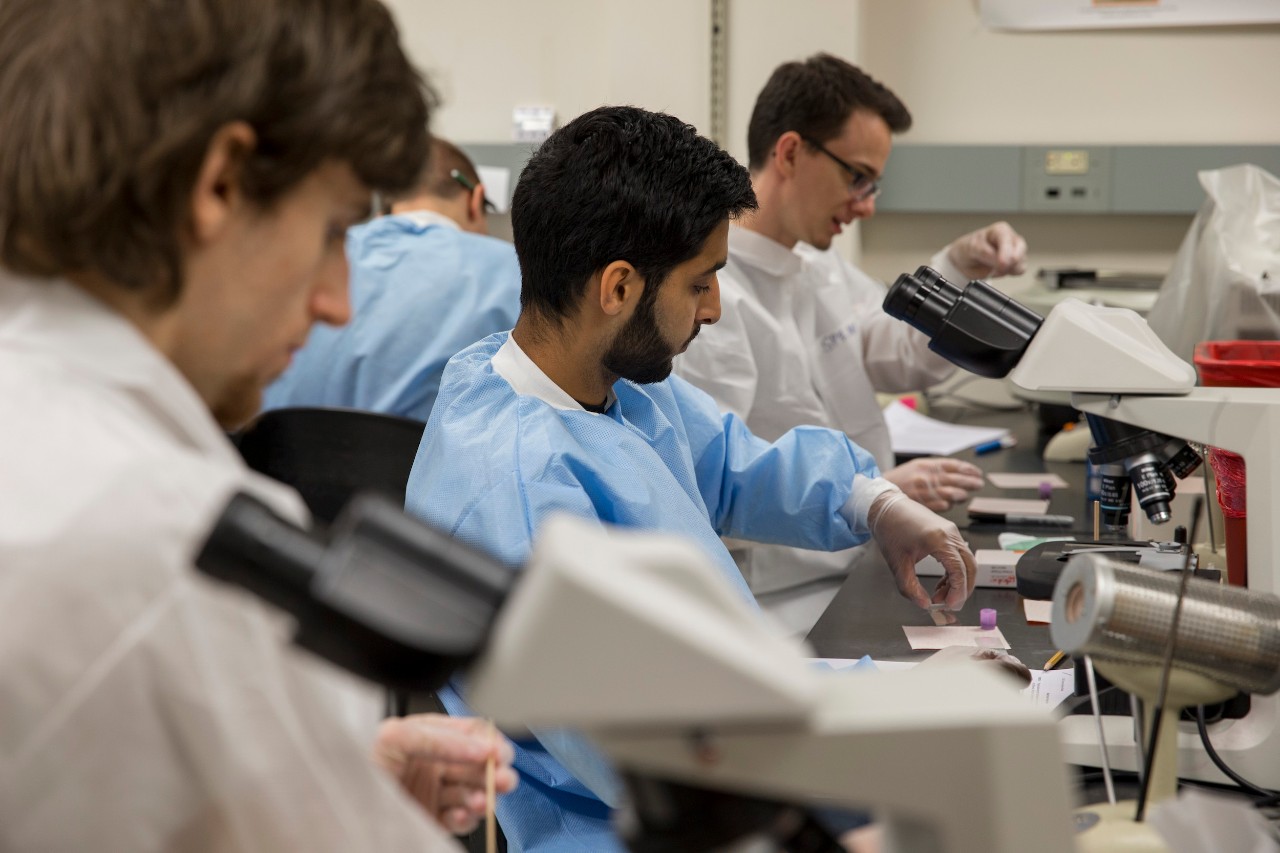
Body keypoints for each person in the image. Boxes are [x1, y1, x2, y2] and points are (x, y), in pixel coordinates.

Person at [0, 1, 516, 850]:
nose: (338, 300)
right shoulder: (181, 544)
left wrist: (322, 769)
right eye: (333, 230)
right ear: (221, 183)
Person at [406, 105, 977, 853]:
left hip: (735, 734)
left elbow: (735, 463)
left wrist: (873, 500)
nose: (712, 308)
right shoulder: (517, 485)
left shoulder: (607, 378)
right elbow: (641, 752)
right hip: (633, 824)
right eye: (702, 282)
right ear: (617, 287)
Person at [674, 54, 1029, 633]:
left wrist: (958, 270)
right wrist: (871, 496)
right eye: (856, 177)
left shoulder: (817, 268)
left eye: (874, 184)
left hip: (858, 557)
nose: (866, 204)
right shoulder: (716, 300)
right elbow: (715, 486)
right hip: (785, 600)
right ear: (790, 152)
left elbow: (900, 353)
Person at [263, 137, 521, 421]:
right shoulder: (512, 269)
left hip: (273, 457)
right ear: (475, 201)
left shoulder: (315, 255)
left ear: (383, 208)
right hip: (426, 463)